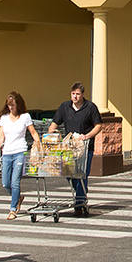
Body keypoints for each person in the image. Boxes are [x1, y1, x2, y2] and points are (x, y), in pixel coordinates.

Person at [49, 81, 103, 217]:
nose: (75, 97)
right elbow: (55, 122)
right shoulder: (65, 106)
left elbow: (98, 125)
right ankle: (82, 191)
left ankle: (79, 203)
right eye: (73, 94)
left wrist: (87, 136)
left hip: (85, 147)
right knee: (68, 172)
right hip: (69, 147)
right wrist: (51, 132)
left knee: (81, 173)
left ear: (82, 95)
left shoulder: (90, 107)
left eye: (78, 94)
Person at [0, 90, 35, 220]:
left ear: (18, 104)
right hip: (7, 152)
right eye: (9, 105)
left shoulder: (25, 117)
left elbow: (33, 132)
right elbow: (1, 136)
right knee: (5, 183)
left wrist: (38, 144)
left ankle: (13, 209)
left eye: (13, 105)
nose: (11, 107)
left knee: (15, 182)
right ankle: (17, 197)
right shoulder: (4, 118)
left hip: (19, 151)